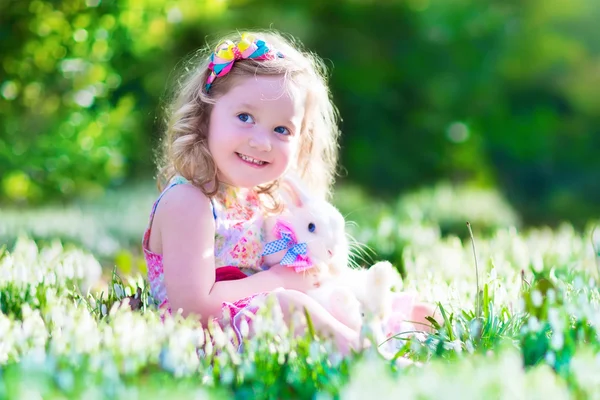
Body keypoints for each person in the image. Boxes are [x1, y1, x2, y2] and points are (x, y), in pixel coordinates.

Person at [142, 30, 363, 354]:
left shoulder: (262, 198)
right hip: (203, 340)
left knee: (347, 299)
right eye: (245, 117)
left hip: (257, 328)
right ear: (205, 117)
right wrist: (280, 280)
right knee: (288, 306)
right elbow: (192, 310)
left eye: (281, 130)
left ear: (302, 140)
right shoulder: (189, 201)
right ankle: (370, 356)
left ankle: (385, 333)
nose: (261, 141)